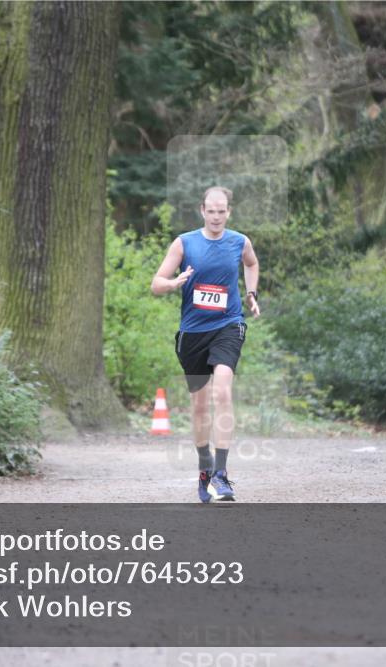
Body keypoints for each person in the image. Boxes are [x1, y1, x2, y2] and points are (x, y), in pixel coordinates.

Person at [151, 186, 260, 503]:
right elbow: (156, 283)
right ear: (202, 210)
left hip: (228, 324)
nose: (216, 216)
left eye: (221, 211)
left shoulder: (240, 242)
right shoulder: (184, 243)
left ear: (229, 212)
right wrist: (173, 283)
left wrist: (252, 294)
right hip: (193, 333)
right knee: (199, 406)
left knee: (222, 389)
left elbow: (251, 264)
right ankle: (204, 469)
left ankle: (222, 476)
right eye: (210, 210)